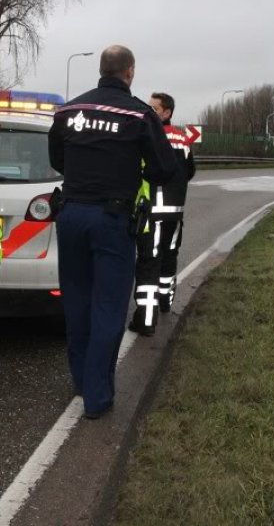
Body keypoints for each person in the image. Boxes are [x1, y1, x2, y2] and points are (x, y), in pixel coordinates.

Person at [48, 45, 177, 419]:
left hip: (70, 213)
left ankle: (81, 379)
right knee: (108, 305)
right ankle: (97, 396)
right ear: (130, 72)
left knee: (76, 301)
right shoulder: (139, 114)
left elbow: (58, 160)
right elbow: (164, 168)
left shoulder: (69, 110)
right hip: (111, 220)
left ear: (102, 70)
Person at [129, 92, 196, 336]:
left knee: (148, 262)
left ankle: (145, 320)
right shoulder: (182, 138)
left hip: (153, 211)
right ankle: (166, 301)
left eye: (154, 109)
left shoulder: (150, 135)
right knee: (169, 256)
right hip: (175, 211)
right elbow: (189, 172)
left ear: (167, 112)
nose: (150, 112)